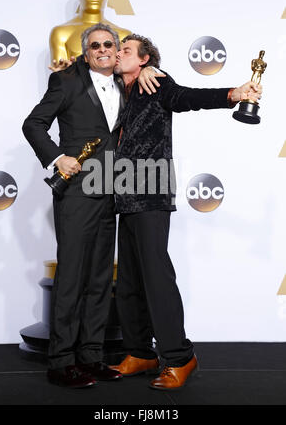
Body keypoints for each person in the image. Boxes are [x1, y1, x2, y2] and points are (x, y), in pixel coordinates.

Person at [111, 34, 262, 390]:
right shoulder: (117, 89)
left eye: (126, 50)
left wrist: (232, 95)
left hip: (150, 192)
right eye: (117, 50)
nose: (117, 54)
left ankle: (180, 357)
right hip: (122, 195)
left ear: (145, 59)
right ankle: (140, 352)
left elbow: (188, 98)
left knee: (156, 277)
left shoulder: (157, 82)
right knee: (129, 279)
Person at [22, 23, 155, 388]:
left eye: (108, 44)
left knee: (99, 279)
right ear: (86, 51)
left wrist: (152, 67)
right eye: (94, 45)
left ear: (116, 49)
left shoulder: (126, 83)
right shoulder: (66, 81)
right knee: (71, 278)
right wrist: (57, 158)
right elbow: (33, 124)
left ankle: (91, 356)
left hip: (112, 191)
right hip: (77, 192)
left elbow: (151, 74)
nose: (101, 50)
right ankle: (61, 361)